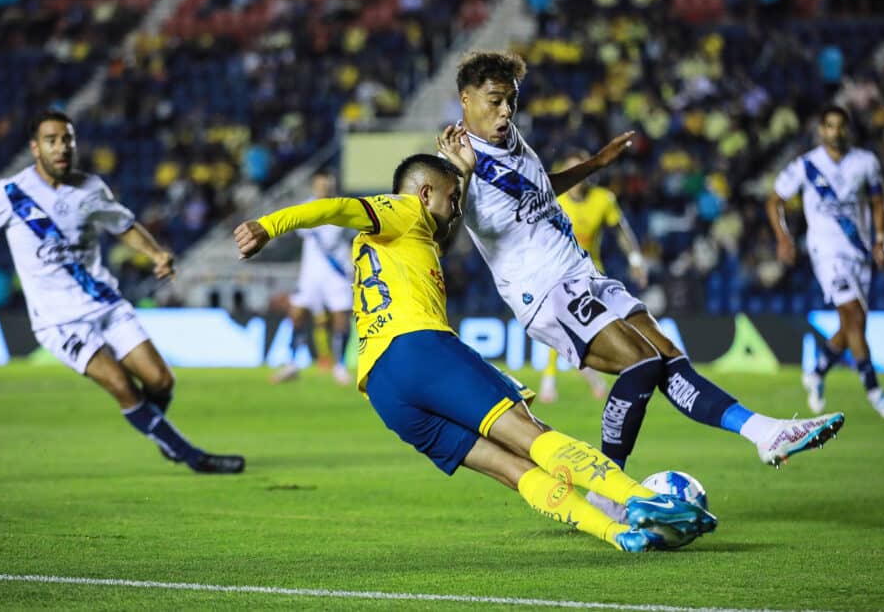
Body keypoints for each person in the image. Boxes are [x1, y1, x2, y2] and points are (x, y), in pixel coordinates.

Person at [233, 148, 717, 552]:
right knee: (529, 434)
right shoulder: (401, 210)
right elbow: (335, 207)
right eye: (451, 199)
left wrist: (461, 172)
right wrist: (269, 226)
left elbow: (439, 227)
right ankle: (640, 499)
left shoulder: (396, 241)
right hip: (419, 348)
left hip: (383, 390)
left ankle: (616, 534)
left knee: (511, 469)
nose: (457, 208)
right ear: (423, 194)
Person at [444, 50, 844, 512]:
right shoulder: (455, 160)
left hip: (582, 272)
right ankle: (605, 491)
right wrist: (464, 173)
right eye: (494, 101)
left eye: (511, 100)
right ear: (465, 99)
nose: (505, 111)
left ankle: (765, 433)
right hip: (545, 291)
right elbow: (444, 234)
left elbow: (537, 188)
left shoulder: (509, 136)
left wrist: (594, 164)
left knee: (668, 355)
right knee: (639, 364)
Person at [0, 110, 244, 474]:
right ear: (35, 148)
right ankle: (191, 455)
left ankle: (161, 435)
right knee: (123, 386)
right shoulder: (10, 194)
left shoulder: (90, 188)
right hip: (60, 320)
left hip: (105, 303)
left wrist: (155, 253)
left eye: (67, 140)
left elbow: (123, 225)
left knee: (160, 380)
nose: (61, 147)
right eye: (52, 140)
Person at [766, 105, 884, 418]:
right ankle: (875, 390)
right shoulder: (807, 165)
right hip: (826, 252)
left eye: (840, 126)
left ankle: (816, 372)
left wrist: (881, 240)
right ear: (821, 131)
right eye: (829, 126)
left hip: (860, 251)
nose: (835, 131)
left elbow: (878, 201)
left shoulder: (865, 162)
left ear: (848, 130)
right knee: (852, 313)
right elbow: (775, 200)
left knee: (852, 323)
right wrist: (784, 237)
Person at [538, 150, 648, 403]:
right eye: (573, 172)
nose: (579, 177)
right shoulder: (555, 200)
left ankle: (614, 371)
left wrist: (635, 260)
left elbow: (621, 231)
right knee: (561, 323)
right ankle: (550, 379)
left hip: (592, 270)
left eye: (583, 171)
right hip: (559, 272)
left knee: (602, 325)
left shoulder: (603, 199)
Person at [271, 169, 353, 385]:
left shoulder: (344, 207)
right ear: (314, 186)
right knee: (297, 314)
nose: (324, 187)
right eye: (320, 184)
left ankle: (340, 366)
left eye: (327, 183)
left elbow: (351, 236)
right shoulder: (306, 208)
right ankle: (291, 363)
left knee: (341, 319)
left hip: (337, 273)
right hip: (312, 273)